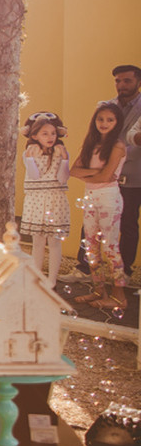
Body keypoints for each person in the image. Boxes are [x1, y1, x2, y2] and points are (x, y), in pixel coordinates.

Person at [70, 102, 128, 309]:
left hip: (108, 198)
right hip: (90, 197)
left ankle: (119, 297)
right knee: (91, 247)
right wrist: (95, 174)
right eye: (100, 119)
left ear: (117, 123)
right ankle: (98, 291)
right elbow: (72, 171)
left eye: (109, 120)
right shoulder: (91, 145)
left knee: (110, 247)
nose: (104, 123)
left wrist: (90, 174)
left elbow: (105, 176)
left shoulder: (118, 146)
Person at [18, 112, 70, 286]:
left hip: (55, 200)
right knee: (38, 242)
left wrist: (64, 160)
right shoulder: (29, 153)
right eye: (45, 133)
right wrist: (31, 159)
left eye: (53, 133)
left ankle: (52, 281)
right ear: (34, 136)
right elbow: (34, 176)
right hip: (36, 200)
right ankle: (36, 278)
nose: (50, 137)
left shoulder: (60, 152)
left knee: (54, 242)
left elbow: (63, 179)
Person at [110, 64, 141, 277]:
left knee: (128, 223)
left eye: (127, 81)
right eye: (118, 81)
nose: (121, 85)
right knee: (93, 221)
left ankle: (124, 272)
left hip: (134, 174)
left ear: (138, 82)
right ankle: (84, 268)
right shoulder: (107, 106)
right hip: (107, 175)